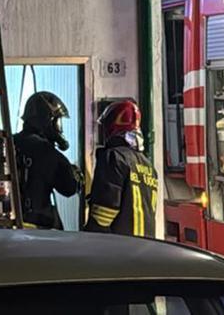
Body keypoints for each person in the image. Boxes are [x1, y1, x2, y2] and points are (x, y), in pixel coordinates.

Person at [84, 98, 158, 237]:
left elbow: (103, 213)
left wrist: (88, 238)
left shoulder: (114, 157)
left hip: (118, 250)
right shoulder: (149, 166)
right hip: (145, 250)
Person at [12, 91, 81, 229]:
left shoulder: (12, 141)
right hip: (39, 227)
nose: (58, 128)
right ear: (46, 120)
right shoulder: (45, 150)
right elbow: (69, 188)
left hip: (12, 224)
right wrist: (76, 174)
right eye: (56, 121)